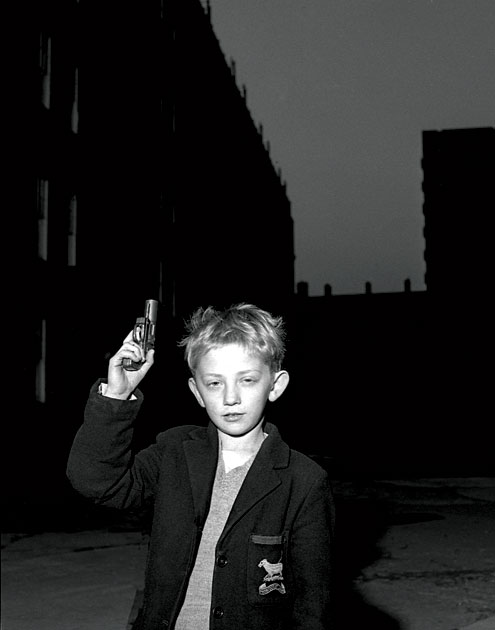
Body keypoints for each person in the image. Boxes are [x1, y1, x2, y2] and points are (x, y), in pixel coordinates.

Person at [67, 303, 335, 629]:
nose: (231, 398)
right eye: (215, 383)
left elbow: (312, 605)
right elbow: (95, 481)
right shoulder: (174, 452)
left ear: (275, 385)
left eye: (247, 380)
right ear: (197, 391)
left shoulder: (304, 481)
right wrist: (116, 396)